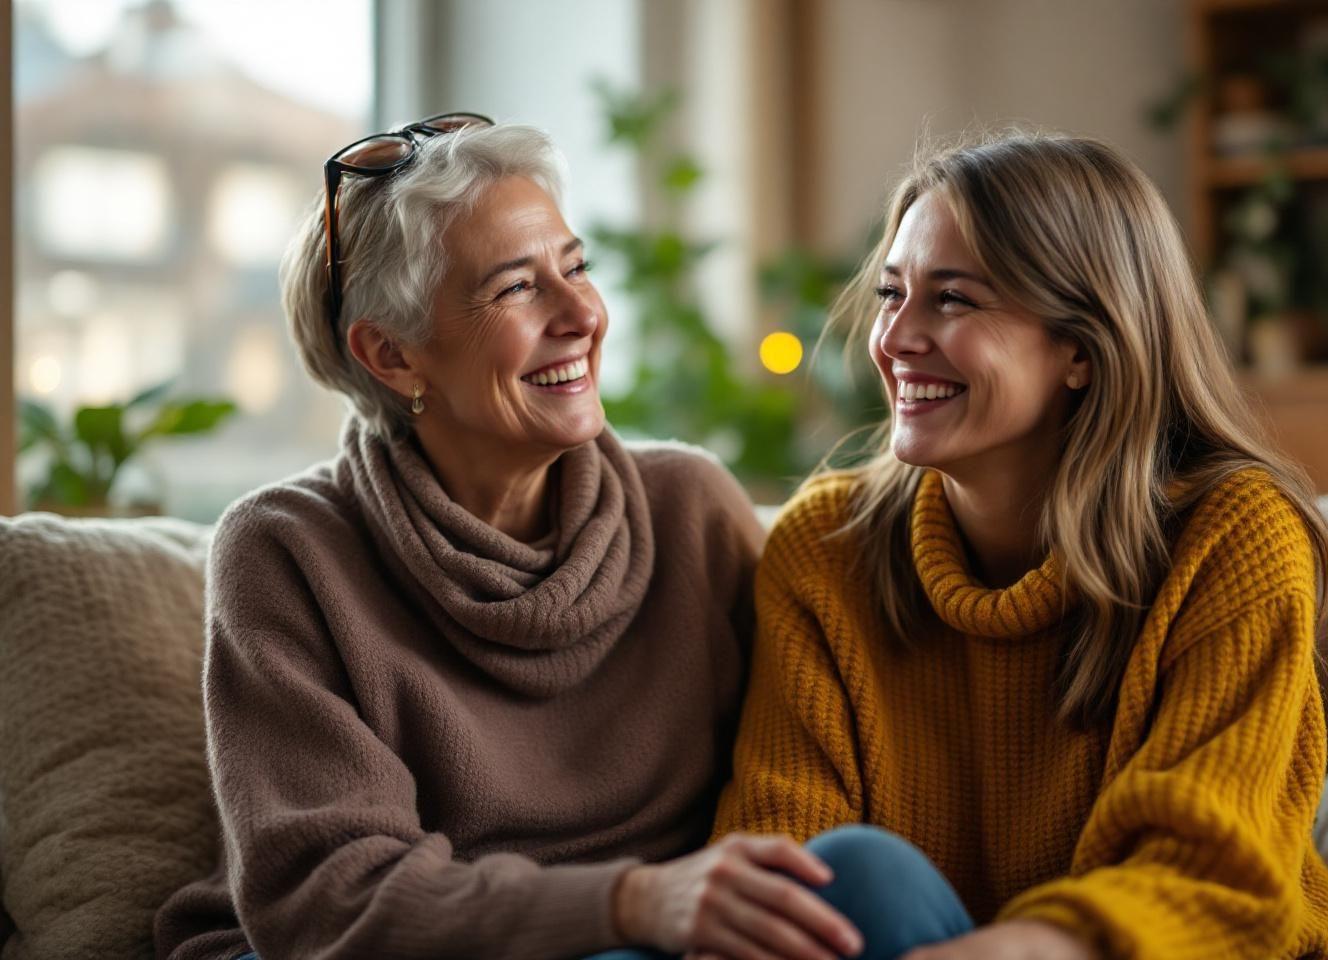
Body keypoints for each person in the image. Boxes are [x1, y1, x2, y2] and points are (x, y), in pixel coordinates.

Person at [153, 115, 863, 960]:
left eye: (575, 268)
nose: (582, 315)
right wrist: (630, 902)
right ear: (392, 355)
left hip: (671, 945)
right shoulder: (287, 552)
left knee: (867, 875)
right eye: (516, 288)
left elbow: (807, 786)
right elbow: (329, 901)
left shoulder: (690, 507)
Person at [709, 131, 1328, 960]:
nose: (894, 338)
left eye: (953, 299)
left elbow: (1211, 873)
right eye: (890, 292)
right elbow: (780, 845)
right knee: (840, 883)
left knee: (865, 877)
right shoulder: (825, 548)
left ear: (1080, 349)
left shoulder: (1234, 536)